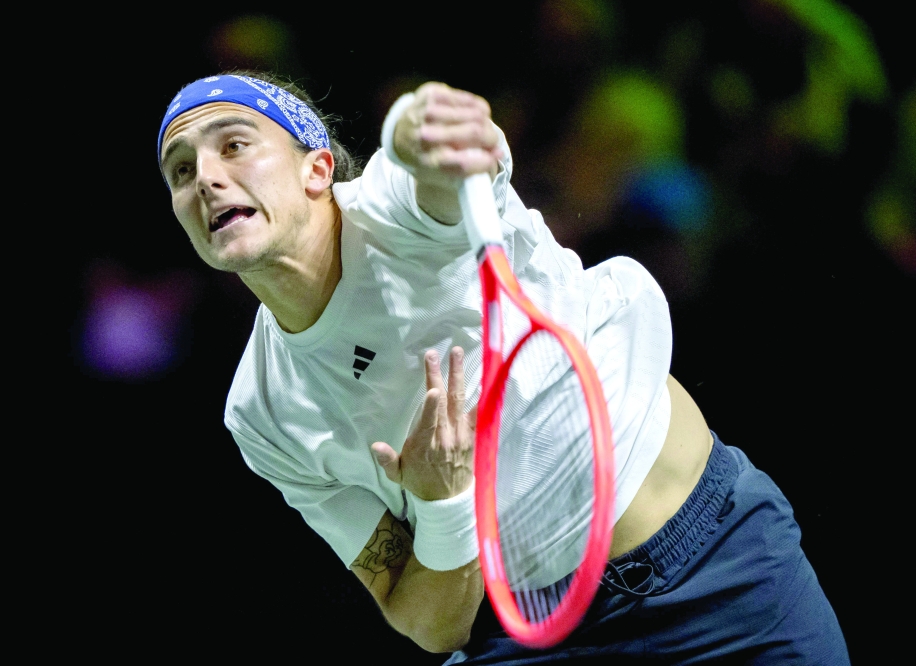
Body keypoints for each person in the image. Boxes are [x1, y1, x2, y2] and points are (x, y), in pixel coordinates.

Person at [158, 72, 850, 663]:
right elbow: (430, 624)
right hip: (532, 642)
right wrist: (443, 504)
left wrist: (419, 127)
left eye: (234, 145)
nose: (207, 179)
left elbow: (441, 164)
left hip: (721, 572)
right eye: (181, 171)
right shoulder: (261, 410)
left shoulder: (396, 204)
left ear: (317, 169)